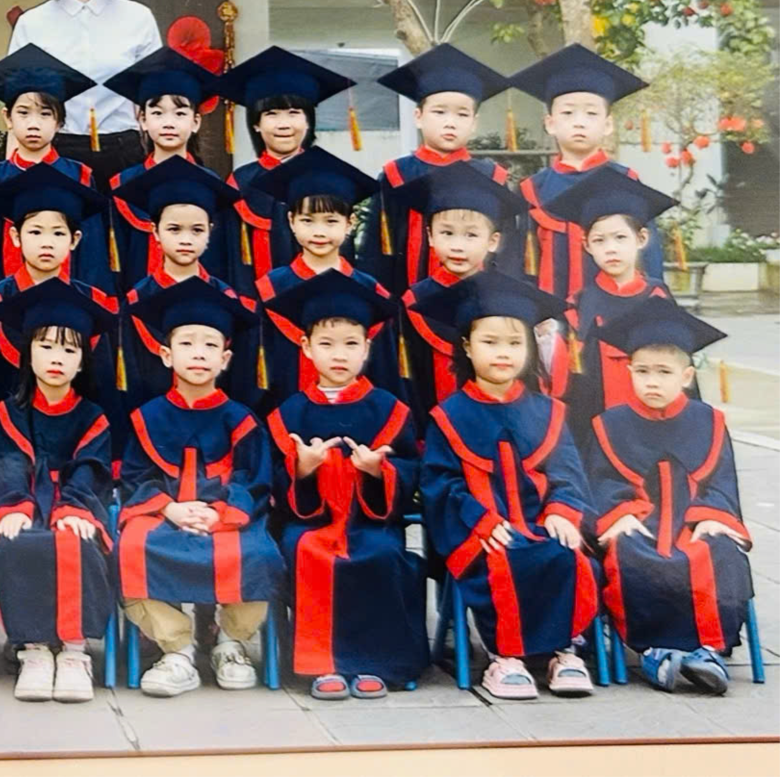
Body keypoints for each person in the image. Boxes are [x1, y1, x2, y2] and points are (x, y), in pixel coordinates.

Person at [416, 273, 599, 701]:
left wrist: (561, 512)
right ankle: (506, 658)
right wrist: (480, 521)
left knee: (567, 554)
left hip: (540, 524)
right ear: (466, 346)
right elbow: (439, 484)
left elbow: (568, 474)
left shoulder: (548, 412)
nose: (503, 352)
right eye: (490, 342)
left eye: (515, 343)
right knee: (503, 558)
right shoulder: (449, 415)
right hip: (482, 532)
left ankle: (564, 653)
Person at [262, 274, 427, 699]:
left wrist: (379, 473)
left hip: (370, 523)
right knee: (304, 548)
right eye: (327, 344)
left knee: (382, 552)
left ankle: (374, 662)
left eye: (351, 344)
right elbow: (275, 487)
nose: (339, 354)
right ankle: (322, 665)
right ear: (305, 347)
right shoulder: (289, 413)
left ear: (368, 348)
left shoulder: (390, 410)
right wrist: (302, 470)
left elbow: (410, 469)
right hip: (310, 523)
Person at [116, 278, 281, 698]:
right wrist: (168, 508)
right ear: (166, 354)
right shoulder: (147, 417)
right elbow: (135, 478)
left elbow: (254, 480)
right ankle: (178, 649)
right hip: (163, 516)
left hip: (225, 518)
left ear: (225, 359)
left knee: (259, 553)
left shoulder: (241, 420)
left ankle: (230, 643)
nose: (199, 353)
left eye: (210, 345)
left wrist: (219, 513)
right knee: (131, 548)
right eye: (187, 343)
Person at [580, 299, 751, 695]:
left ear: (687, 376)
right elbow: (600, 482)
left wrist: (713, 516)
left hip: (692, 523)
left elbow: (722, 482)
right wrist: (620, 513)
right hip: (639, 525)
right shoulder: (610, 424)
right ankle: (656, 650)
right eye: (642, 371)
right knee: (630, 550)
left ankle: (706, 649)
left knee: (720, 551)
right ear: (628, 370)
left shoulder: (708, 422)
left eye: (663, 372)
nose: (652, 382)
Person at [0, 280, 121, 703]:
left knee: (76, 541)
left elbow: (92, 469)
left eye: (69, 350)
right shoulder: (8, 414)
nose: (57, 358)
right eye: (45, 346)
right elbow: (8, 465)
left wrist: (75, 509)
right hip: (25, 505)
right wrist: (13, 506)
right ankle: (35, 650)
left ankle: (75, 651)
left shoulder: (93, 417)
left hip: (76, 507)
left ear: (82, 362)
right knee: (16, 543)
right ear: (27, 353)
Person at [0, 164, 123, 453]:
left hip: (77, 442)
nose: (46, 243)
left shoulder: (90, 301)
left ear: (75, 240)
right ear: (15, 237)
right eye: (35, 232)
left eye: (58, 234)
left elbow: (102, 385)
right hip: (12, 442)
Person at [6, 0, 162, 180]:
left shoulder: (138, 18)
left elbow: (155, 101)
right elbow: (20, 105)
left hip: (124, 151)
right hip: (56, 151)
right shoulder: (32, 23)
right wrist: (13, 174)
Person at [241, 147, 402, 409]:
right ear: (291, 221)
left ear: (350, 223)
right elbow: (257, 371)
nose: (319, 232)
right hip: (285, 419)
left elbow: (383, 373)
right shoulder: (272, 288)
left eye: (331, 221)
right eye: (308, 220)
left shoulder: (368, 291)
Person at [510, 44, 663, 301]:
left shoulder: (626, 182)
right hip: (552, 315)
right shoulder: (532, 189)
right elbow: (519, 261)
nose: (579, 122)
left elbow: (650, 256)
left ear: (608, 125)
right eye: (568, 113)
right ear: (550, 123)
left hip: (616, 313)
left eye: (591, 113)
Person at [361, 45, 513, 297]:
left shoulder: (491, 177)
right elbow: (376, 250)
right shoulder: (397, 175)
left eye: (462, 114)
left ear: (474, 124)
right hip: (409, 302)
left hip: (478, 303)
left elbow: (508, 251)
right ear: (418, 117)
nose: (450, 122)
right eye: (439, 112)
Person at [0, 44, 109, 300]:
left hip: (69, 302)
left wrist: (91, 304)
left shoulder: (79, 176)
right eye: (23, 113)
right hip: (10, 302)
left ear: (59, 122)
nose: (33, 124)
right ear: (8, 118)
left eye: (45, 114)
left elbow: (92, 252)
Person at [542, 169, 679, 437]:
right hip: (596, 431)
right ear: (587, 245)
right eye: (599, 240)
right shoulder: (577, 306)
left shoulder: (659, 297)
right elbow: (566, 384)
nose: (611, 248)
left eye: (620, 237)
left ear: (641, 239)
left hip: (655, 429)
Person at [111, 158, 257, 408]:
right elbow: (129, 373)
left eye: (197, 230)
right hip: (150, 419)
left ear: (210, 231)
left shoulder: (226, 298)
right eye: (174, 229)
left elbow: (238, 376)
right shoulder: (137, 299)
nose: (186, 240)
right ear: (155, 232)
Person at [211, 47, 357, 296]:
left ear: (308, 121)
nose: (284, 124)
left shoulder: (329, 177)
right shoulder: (240, 183)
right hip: (253, 306)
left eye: (294, 113)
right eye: (271, 114)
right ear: (256, 124)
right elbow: (226, 258)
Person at [393, 164, 528, 423]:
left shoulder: (508, 299)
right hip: (429, 425)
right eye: (447, 233)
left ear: (493, 241)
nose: (457, 246)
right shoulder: (414, 301)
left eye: (471, 235)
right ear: (430, 236)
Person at [104, 48, 233, 288]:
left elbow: (218, 260)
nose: (169, 123)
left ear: (195, 122)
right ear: (143, 120)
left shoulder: (211, 184)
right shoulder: (123, 184)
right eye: (157, 113)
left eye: (180, 113)